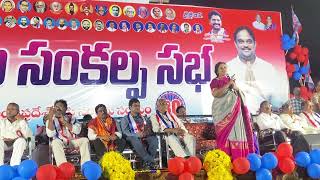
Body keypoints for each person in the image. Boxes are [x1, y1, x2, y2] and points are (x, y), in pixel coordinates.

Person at [227, 26, 289, 114]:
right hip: (238, 116)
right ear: (235, 44)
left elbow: (278, 102)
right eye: (241, 41)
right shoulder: (228, 68)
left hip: (264, 116)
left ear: (255, 44)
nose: (245, 45)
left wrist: (257, 88)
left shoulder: (268, 68)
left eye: (249, 41)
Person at [210, 62, 255, 159]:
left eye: (225, 68)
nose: (223, 69)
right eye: (221, 68)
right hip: (222, 111)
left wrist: (235, 87)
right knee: (226, 134)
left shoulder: (231, 80)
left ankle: (240, 157)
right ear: (217, 71)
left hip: (235, 110)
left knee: (237, 132)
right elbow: (216, 94)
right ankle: (226, 158)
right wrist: (228, 84)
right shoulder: (215, 81)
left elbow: (238, 91)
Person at [46, 99, 91, 166]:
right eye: (56, 106)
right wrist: (50, 118)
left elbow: (77, 131)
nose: (58, 108)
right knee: (55, 142)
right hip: (60, 142)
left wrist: (65, 122)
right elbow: (50, 134)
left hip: (73, 141)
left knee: (85, 140)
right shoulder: (50, 120)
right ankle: (63, 167)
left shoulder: (72, 118)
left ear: (66, 108)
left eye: (60, 106)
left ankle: (86, 166)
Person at [120, 98, 158, 169]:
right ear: (130, 107)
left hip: (144, 136)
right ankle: (150, 161)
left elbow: (149, 128)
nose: (137, 107)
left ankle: (147, 162)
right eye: (135, 106)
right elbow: (125, 132)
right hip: (131, 138)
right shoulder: (125, 119)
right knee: (134, 139)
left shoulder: (144, 117)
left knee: (153, 139)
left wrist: (146, 132)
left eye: (138, 106)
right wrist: (137, 134)